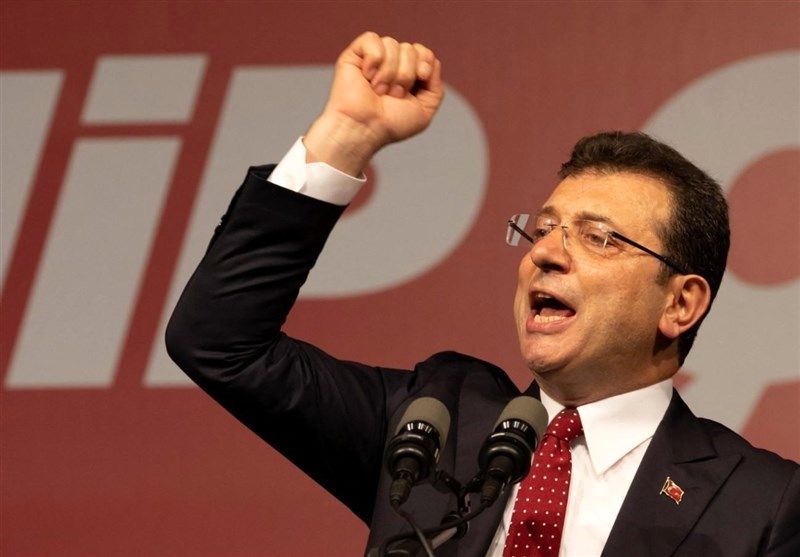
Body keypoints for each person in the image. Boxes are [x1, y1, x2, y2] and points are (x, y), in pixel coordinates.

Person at [166, 32, 799, 556]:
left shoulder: (761, 503)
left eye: (598, 237)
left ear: (681, 303)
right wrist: (346, 136)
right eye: (543, 230)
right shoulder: (431, 423)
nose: (545, 253)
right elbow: (220, 342)